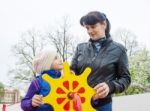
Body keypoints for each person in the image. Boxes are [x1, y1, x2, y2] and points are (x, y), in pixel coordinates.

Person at [71, 11, 131, 111]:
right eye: (87, 28)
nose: (90, 31)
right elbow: (72, 70)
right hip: (79, 104)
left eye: (93, 26)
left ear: (104, 24)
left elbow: (125, 78)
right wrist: (70, 73)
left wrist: (110, 86)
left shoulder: (119, 50)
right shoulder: (80, 48)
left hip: (103, 105)